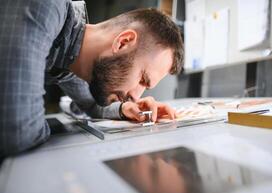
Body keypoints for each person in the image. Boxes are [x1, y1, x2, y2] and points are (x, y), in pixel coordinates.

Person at [0, 0, 184, 157]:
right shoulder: (46, 6)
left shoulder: (71, 57)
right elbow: (18, 133)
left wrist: (125, 108)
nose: (136, 96)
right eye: (142, 78)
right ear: (123, 43)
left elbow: (90, 104)